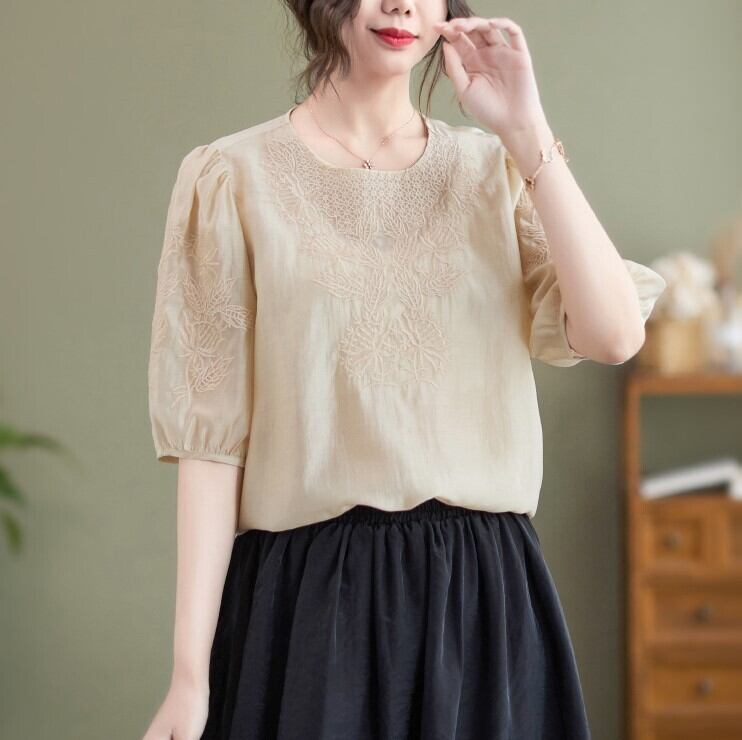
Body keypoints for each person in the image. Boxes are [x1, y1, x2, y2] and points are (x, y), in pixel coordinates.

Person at [142, 3, 666, 739]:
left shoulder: (495, 170)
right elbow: (210, 443)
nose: (400, 5)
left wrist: (525, 130)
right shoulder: (232, 177)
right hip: (309, 601)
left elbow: (612, 334)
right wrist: (188, 675)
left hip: (483, 598)